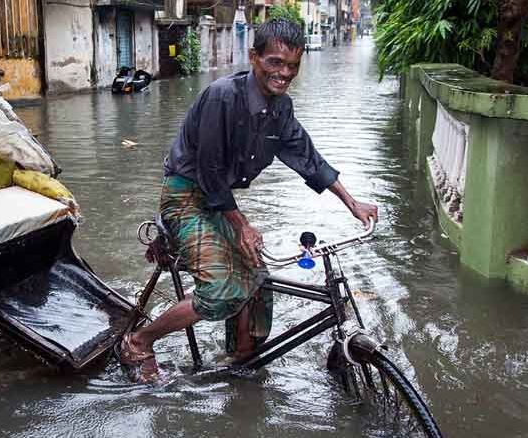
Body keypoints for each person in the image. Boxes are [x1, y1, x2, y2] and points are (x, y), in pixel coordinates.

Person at [119, 19, 378, 382]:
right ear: (254, 57)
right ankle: (139, 341)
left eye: (292, 66)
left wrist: (352, 203)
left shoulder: (281, 109)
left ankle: (241, 357)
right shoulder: (223, 96)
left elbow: (308, 158)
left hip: (219, 201)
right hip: (185, 196)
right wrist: (242, 226)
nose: (284, 73)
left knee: (257, 277)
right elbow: (209, 170)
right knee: (222, 290)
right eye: (275, 62)